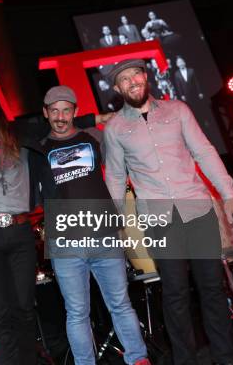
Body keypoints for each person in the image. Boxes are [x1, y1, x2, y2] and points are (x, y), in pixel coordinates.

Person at [0, 58, 109, 365]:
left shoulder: (21, 133)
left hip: (20, 232)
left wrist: (106, 115)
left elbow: (62, 122)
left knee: (25, 310)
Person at [103, 59, 233, 365]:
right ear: (117, 88)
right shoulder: (115, 129)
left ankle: (225, 357)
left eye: (135, 75)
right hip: (158, 216)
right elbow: (115, 176)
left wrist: (229, 195)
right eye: (124, 79)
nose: (132, 81)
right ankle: (185, 360)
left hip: (196, 207)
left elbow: (204, 151)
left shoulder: (178, 110)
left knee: (211, 286)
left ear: (145, 77)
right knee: (176, 292)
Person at [39, 85, 149, 365]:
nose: (60, 116)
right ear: (45, 113)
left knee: (120, 304)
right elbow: (15, 127)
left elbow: (127, 122)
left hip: (104, 234)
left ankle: (138, 359)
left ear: (75, 111)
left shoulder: (95, 137)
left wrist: (94, 120)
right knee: (76, 312)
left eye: (66, 110)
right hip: (65, 242)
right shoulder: (37, 148)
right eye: (54, 111)